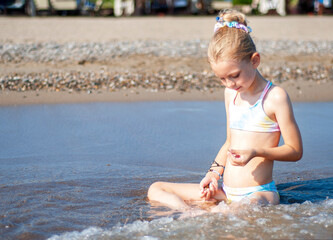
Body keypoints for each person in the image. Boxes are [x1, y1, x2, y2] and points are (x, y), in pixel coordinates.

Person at [147, 9, 303, 210]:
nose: (229, 84)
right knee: (156, 189)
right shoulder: (231, 94)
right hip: (227, 193)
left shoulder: (275, 97)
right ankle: (190, 214)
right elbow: (230, 141)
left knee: (243, 210)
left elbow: (295, 150)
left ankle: (214, 215)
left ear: (255, 60)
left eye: (234, 75)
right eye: (222, 78)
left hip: (259, 193)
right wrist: (213, 173)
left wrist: (256, 152)